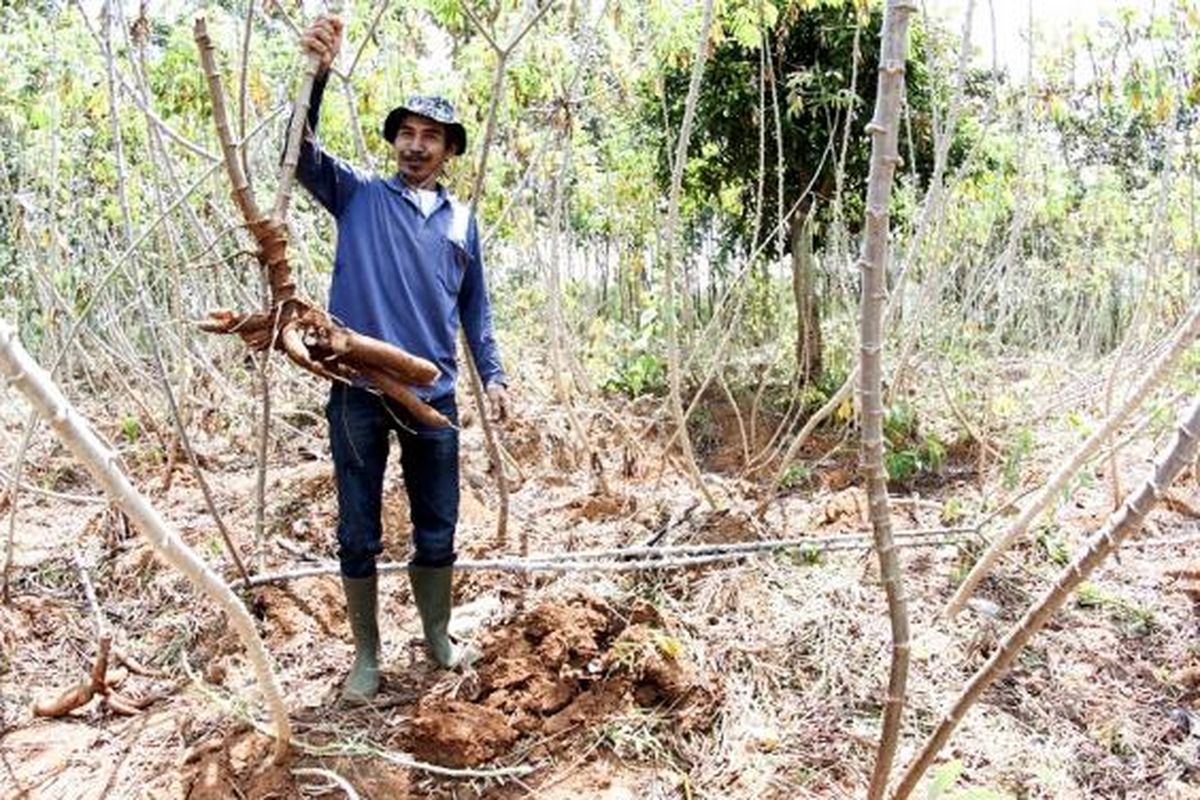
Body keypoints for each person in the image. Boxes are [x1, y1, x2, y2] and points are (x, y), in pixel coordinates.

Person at [297, 16, 509, 703]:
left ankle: (437, 636)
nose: (417, 146)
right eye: (407, 133)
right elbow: (295, 152)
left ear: (450, 151)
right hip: (358, 388)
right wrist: (317, 76)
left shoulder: (460, 221)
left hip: (435, 394)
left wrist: (495, 375)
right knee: (357, 526)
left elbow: (475, 310)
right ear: (394, 140)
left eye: (432, 137)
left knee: (438, 525)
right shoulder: (358, 195)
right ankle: (366, 654)